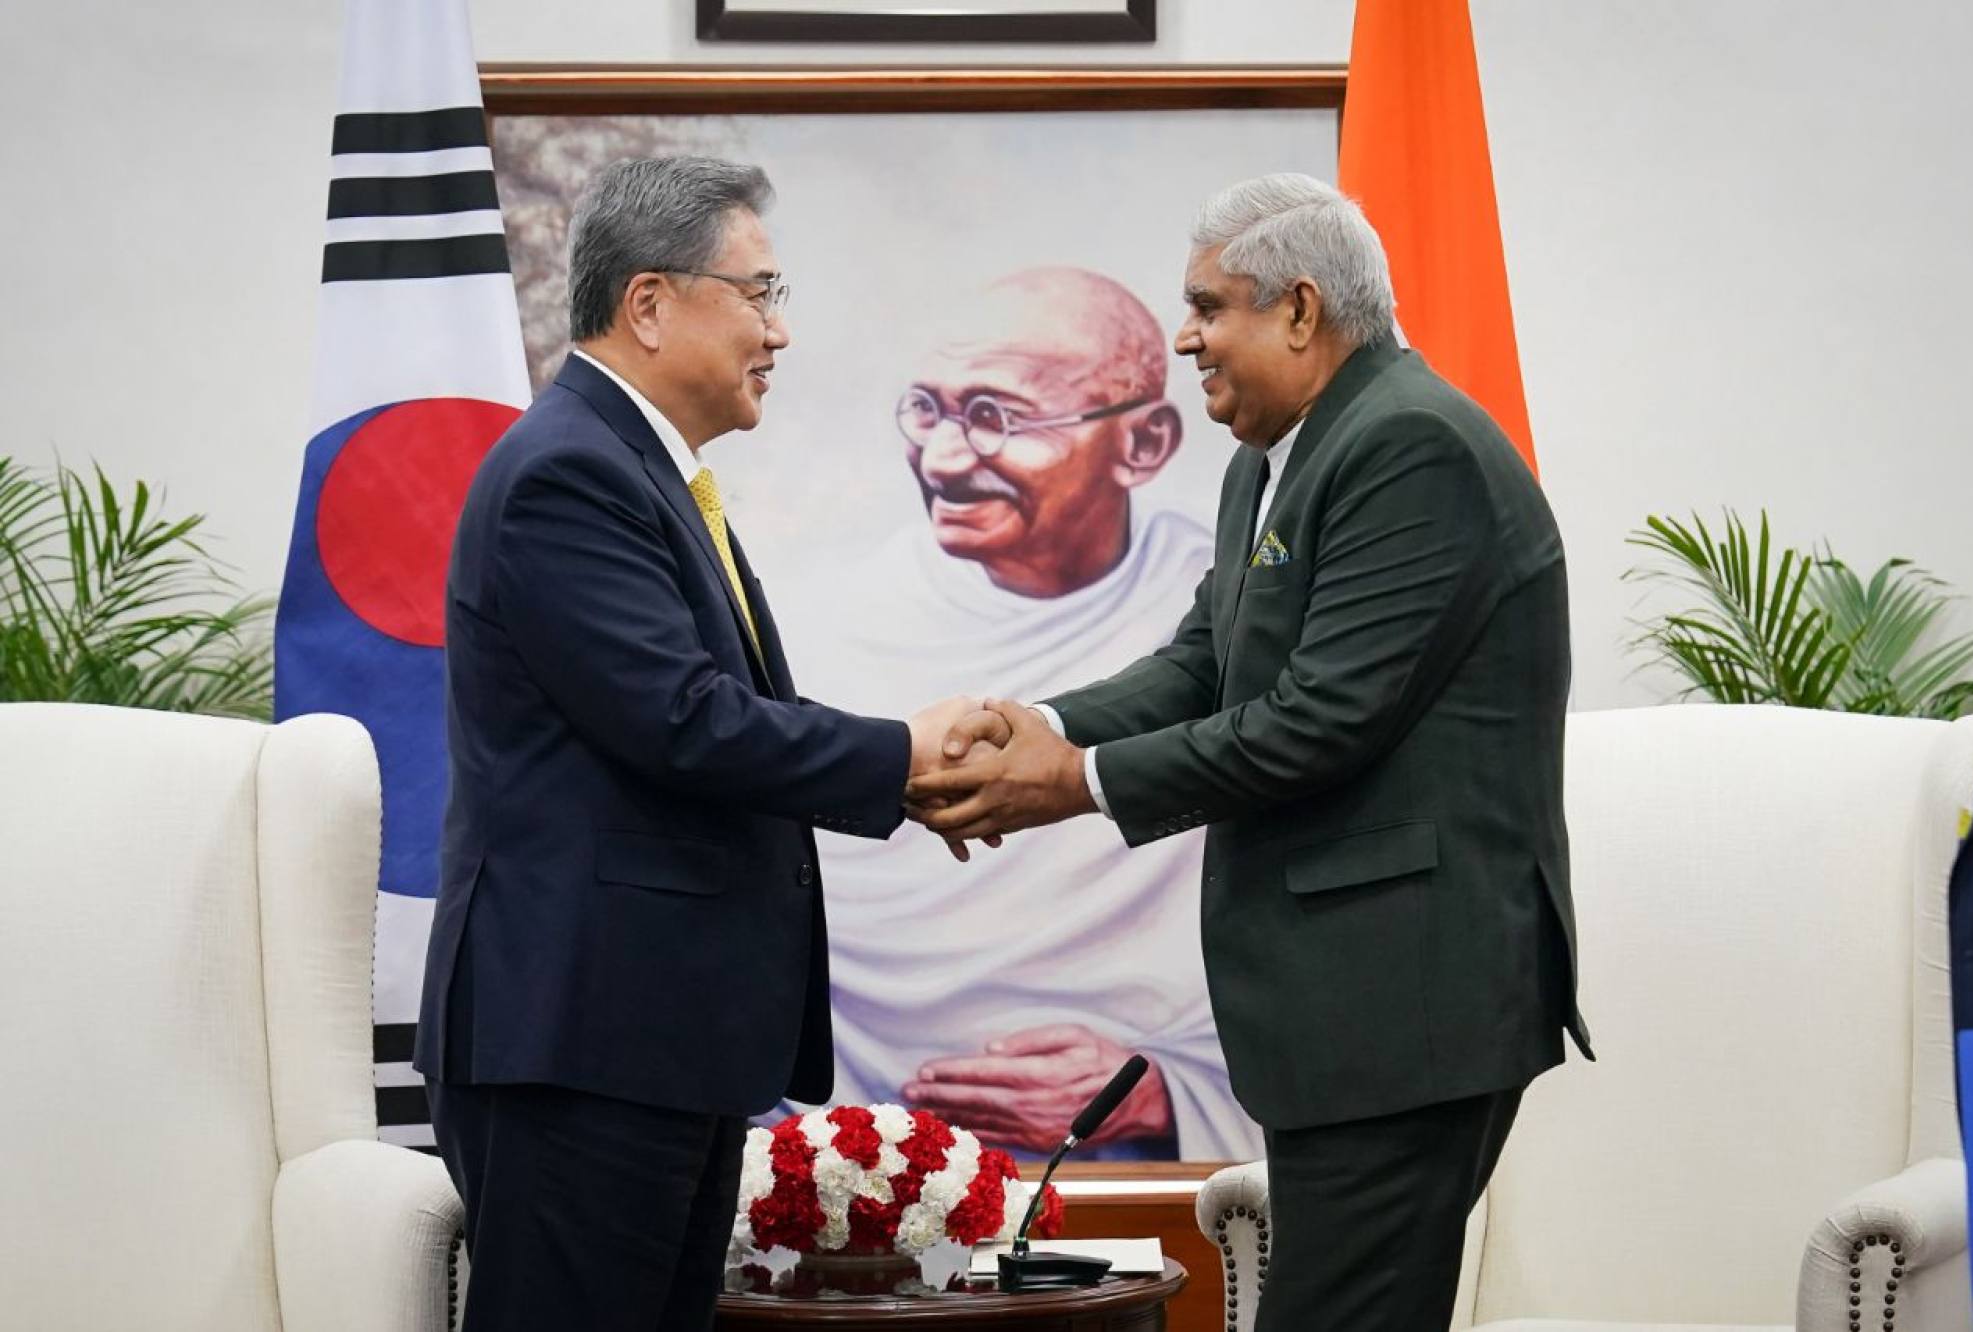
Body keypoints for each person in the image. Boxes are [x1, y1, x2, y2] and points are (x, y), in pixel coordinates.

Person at [907, 173, 1592, 1330]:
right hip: (1349, 1008)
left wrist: (1066, 784)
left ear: (1300, 309)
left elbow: (1320, 721)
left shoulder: (1408, 445)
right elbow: (1204, 665)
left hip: (1407, 1002)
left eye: (1208, 306)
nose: (1186, 339)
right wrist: (1042, 725)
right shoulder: (1274, 457)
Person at [413, 156, 975, 1332]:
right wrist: (898, 756)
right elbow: (681, 720)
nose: (781, 329)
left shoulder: (642, 474)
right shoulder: (568, 474)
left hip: (653, 1043)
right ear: (651, 304)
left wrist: (900, 767)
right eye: (760, 292)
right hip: (584, 1047)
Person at [776, 266, 1261, 1160]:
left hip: (1145, 1161)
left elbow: (1283, 879)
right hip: (843, 1152)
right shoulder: (819, 623)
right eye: (927, 410)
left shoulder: (1222, 613)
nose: (947, 459)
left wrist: (1162, 1091)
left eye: (997, 417)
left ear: (1144, 444)